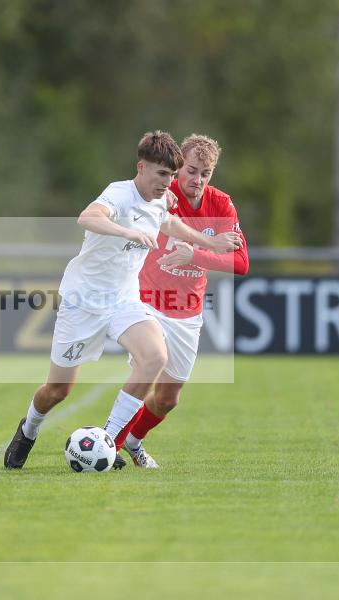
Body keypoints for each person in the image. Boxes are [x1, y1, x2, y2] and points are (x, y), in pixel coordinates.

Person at [4, 131, 243, 470]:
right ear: (141, 167)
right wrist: (127, 232)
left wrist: (211, 244)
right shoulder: (119, 193)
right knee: (57, 390)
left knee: (155, 356)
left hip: (123, 299)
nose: (168, 182)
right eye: (162, 174)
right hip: (83, 300)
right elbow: (87, 217)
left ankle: (109, 441)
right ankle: (28, 430)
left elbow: (169, 223)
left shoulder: (162, 199)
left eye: (172, 176)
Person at [114, 133, 249, 468]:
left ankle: (133, 441)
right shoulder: (163, 194)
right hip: (147, 301)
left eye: (205, 173)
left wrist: (196, 257)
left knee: (168, 399)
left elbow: (241, 262)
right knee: (147, 369)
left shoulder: (221, 204)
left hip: (187, 312)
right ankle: (107, 445)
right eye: (190, 171)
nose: (197, 180)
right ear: (178, 168)